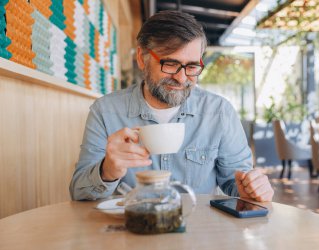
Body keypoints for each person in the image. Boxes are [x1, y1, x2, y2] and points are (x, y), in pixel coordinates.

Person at [69, 10, 274, 202]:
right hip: (132, 232)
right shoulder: (105, 112)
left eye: (192, 66)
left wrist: (251, 187)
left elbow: (234, 181)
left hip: (199, 235)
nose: (182, 77)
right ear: (142, 58)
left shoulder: (219, 112)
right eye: (171, 64)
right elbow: (79, 192)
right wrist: (107, 171)